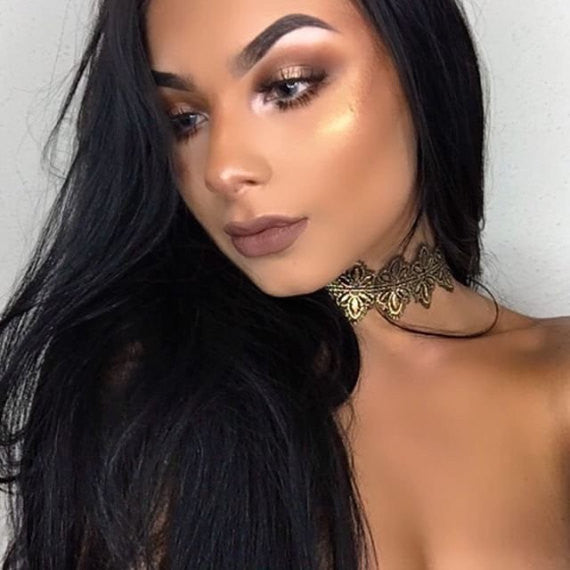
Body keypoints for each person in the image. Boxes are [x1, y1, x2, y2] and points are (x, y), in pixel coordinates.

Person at [0, 0, 569, 568]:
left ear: (422, 65)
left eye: (288, 86)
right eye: (183, 119)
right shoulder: (153, 402)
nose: (222, 169)